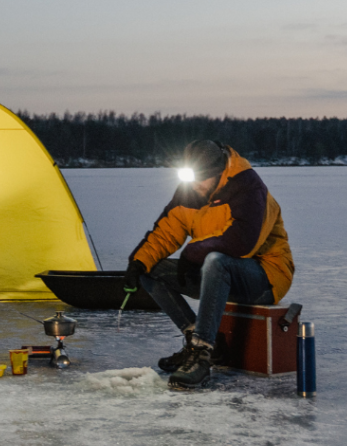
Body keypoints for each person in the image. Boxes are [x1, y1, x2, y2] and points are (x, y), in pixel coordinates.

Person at [125, 140, 294, 390]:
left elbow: (243, 242)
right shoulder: (190, 191)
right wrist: (138, 264)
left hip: (264, 276)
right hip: (217, 272)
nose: (195, 185)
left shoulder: (247, 186)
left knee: (216, 260)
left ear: (219, 173)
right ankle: (196, 338)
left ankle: (202, 353)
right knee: (152, 268)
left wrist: (194, 251)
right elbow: (166, 232)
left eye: (201, 179)